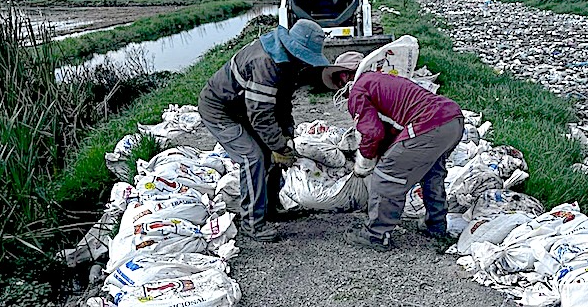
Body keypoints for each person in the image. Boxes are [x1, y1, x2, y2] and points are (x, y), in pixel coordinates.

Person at [198, 19, 330, 242]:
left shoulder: (287, 61)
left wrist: (286, 136)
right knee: (253, 158)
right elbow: (260, 115)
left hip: (244, 108)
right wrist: (277, 145)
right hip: (221, 110)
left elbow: (282, 101)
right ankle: (252, 223)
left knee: (274, 155)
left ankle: (270, 208)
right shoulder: (267, 63)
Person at [322, 52, 464, 251]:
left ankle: (376, 234)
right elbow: (392, 128)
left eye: (338, 81)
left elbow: (373, 133)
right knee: (432, 173)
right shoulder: (382, 80)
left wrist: (364, 163)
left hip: (429, 124)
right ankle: (436, 226)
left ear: (345, 76)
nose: (340, 89)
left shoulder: (359, 89)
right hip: (453, 119)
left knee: (387, 175)